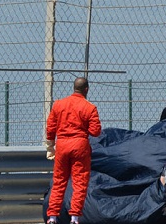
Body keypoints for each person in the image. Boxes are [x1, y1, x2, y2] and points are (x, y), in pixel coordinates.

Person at [45, 77, 102, 224]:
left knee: (59, 181)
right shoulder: (89, 107)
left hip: (62, 145)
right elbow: (95, 131)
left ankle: (52, 217)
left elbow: (50, 127)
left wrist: (51, 145)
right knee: (79, 182)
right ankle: (75, 217)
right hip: (80, 145)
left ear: (74, 88)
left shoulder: (59, 104)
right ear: (86, 89)